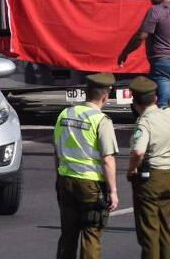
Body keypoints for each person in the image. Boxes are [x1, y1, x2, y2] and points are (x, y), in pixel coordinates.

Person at [54, 73, 119, 259]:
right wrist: (113, 190)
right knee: (91, 235)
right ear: (105, 96)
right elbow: (107, 159)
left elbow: (57, 150)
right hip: (90, 184)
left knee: (68, 235)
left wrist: (58, 177)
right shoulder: (101, 120)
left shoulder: (65, 114)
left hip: (66, 180)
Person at [127, 77, 170, 259]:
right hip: (169, 177)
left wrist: (132, 169)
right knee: (165, 230)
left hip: (151, 179)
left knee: (149, 233)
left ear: (135, 103)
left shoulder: (144, 123)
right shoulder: (169, 115)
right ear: (155, 99)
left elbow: (138, 151)